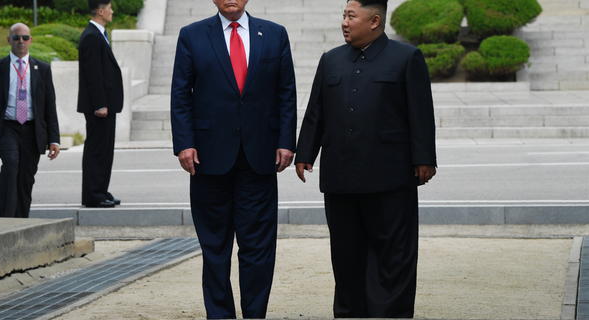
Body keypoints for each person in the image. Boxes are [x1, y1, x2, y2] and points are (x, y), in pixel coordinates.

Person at [294, 0, 437, 318]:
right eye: (343, 15)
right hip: (340, 177)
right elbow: (316, 109)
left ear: (374, 21)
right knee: (346, 255)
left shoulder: (406, 57)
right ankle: (349, 312)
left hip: (390, 176)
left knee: (394, 255)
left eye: (351, 16)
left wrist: (424, 157)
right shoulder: (330, 60)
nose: (344, 22)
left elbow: (420, 112)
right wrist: (305, 152)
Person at [170, 0, 297, 318]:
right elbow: (180, 93)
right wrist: (184, 143)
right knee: (214, 248)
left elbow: (286, 92)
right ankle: (220, 315)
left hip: (260, 156)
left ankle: (255, 314)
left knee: (259, 247)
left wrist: (286, 141)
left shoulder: (274, 34)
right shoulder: (192, 35)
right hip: (208, 157)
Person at [0, 22, 61, 218]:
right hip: (7, 128)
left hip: (33, 130)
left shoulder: (43, 69)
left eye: (24, 37)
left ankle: (22, 222)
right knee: (11, 164)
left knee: (26, 176)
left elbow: (50, 107)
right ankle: (6, 220)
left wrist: (54, 139)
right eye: (16, 37)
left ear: (30, 40)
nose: (20, 41)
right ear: (9, 40)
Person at [78, 0, 124, 208]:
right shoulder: (91, 37)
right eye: (110, 8)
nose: (112, 11)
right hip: (99, 107)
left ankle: (102, 190)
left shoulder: (98, 35)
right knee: (97, 151)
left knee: (106, 151)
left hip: (107, 106)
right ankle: (93, 195)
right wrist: (100, 104)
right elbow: (93, 75)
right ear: (101, 11)